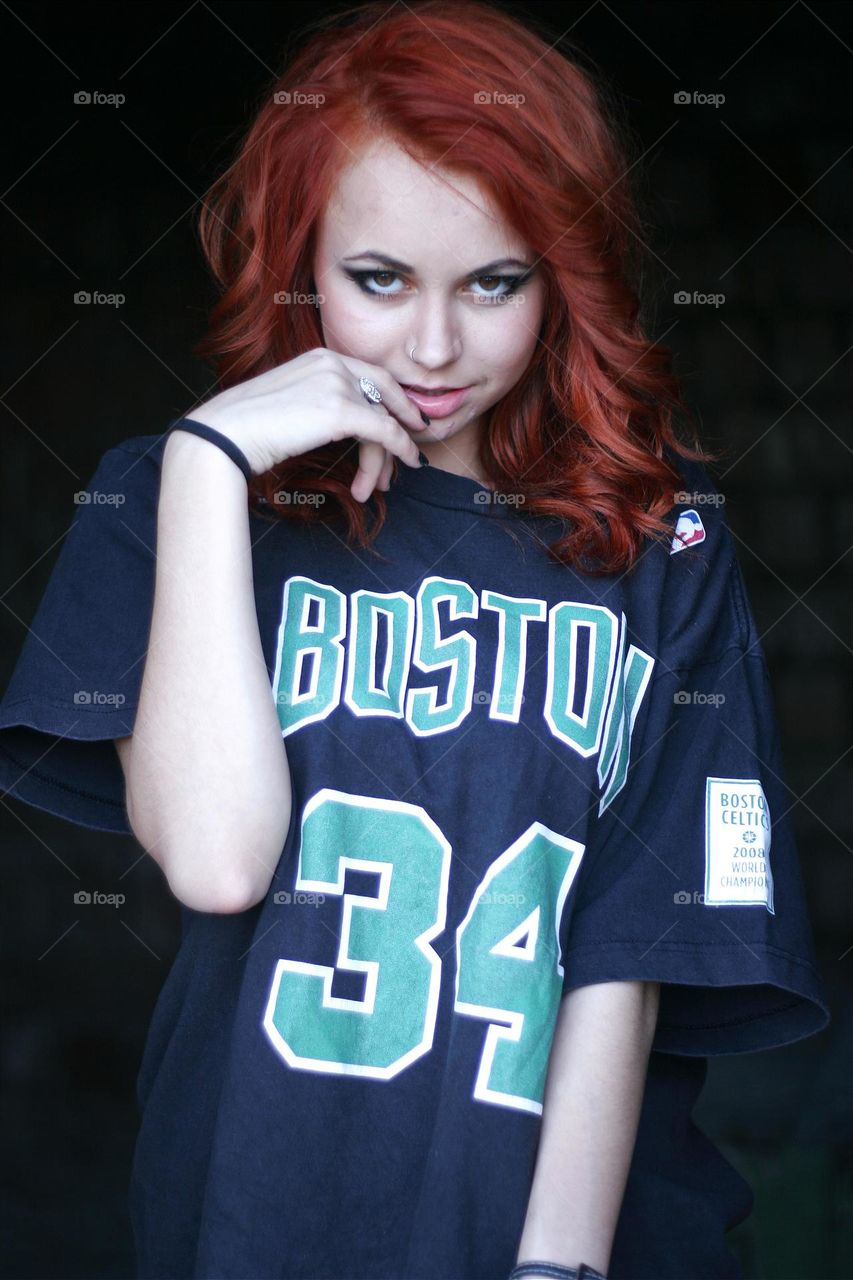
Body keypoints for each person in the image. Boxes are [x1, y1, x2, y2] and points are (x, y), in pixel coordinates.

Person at [0, 2, 830, 1278]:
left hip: (584, 1234)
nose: (435, 348)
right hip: (258, 1216)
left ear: (565, 276)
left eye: (494, 282)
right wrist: (211, 466)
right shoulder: (171, 500)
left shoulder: (658, 541)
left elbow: (624, 951)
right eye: (377, 279)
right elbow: (219, 860)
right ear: (300, 255)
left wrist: (557, 1268)